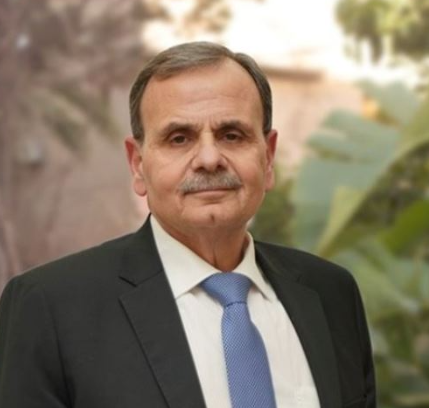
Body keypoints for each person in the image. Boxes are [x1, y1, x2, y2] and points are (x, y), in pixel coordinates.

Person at [0, 42, 375, 408]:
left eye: (232, 135)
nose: (209, 159)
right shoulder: (50, 309)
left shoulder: (331, 295)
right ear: (137, 165)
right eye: (179, 138)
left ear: (268, 156)